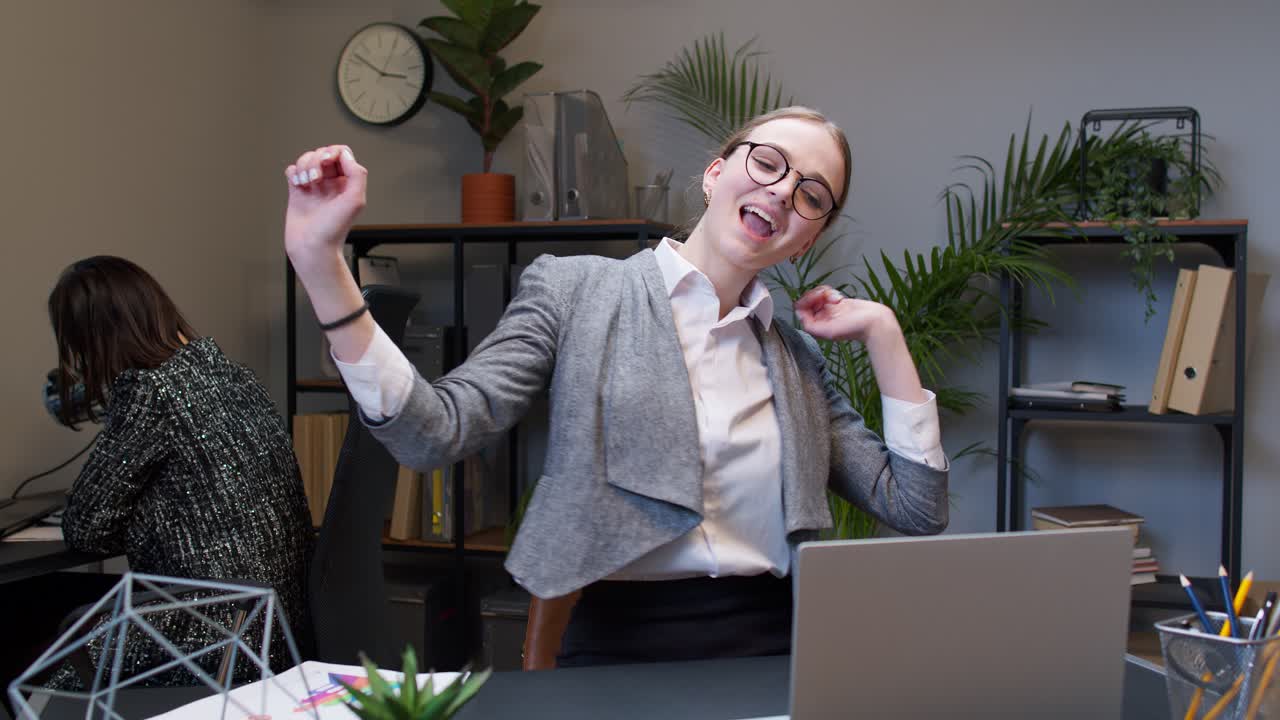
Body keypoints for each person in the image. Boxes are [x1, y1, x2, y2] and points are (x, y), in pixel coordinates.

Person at [283, 106, 948, 668]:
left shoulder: (795, 357)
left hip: (776, 648)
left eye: (811, 194)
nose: (782, 191)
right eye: (769, 163)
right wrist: (321, 267)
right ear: (717, 174)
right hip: (620, 644)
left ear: (808, 236)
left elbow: (917, 507)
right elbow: (433, 430)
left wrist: (884, 334)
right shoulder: (576, 292)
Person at [45, 256, 314, 685]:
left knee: (46, 683)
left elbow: (84, 527)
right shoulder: (235, 376)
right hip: (279, 630)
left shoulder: (150, 391)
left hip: (207, 634)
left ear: (91, 340)